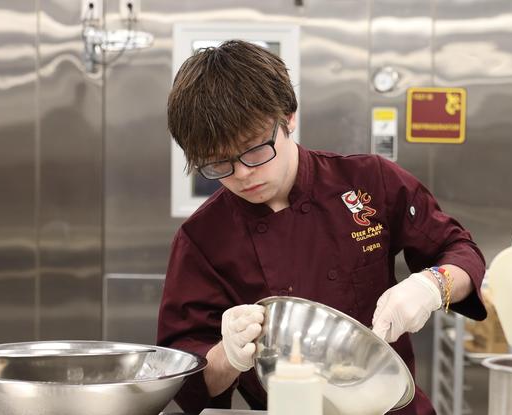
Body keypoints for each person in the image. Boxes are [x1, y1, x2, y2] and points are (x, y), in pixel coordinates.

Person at [157, 40, 486, 414]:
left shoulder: (367, 181)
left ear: (289, 116)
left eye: (254, 150)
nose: (244, 174)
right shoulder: (202, 238)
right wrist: (228, 355)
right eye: (219, 165)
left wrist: (433, 286)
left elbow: (461, 251)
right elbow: (188, 385)